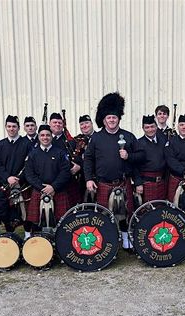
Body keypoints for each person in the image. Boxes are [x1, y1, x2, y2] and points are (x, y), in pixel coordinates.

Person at [84, 92, 144, 249]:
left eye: (114, 117)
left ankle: (125, 240)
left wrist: (129, 156)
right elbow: (88, 159)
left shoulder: (128, 137)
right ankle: (105, 241)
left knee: (124, 213)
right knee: (103, 215)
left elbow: (141, 156)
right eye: (109, 117)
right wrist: (89, 179)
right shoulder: (96, 138)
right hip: (103, 183)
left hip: (122, 182)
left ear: (119, 119)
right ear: (104, 119)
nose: (111, 120)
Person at [0, 115, 33, 234]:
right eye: (9, 126)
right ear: (5, 127)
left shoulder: (27, 144)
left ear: (19, 128)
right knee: (4, 212)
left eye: (14, 126)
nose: (11, 129)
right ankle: (10, 237)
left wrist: (19, 178)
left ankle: (27, 237)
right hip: (5, 183)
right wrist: (7, 177)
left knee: (25, 213)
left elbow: (30, 164)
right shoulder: (0, 145)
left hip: (23, 184)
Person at [25, 125, 71, 230]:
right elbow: (29, 174)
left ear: (51, 136)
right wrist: (43, 188)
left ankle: (59, 243)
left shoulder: (60, 153)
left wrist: (53, 187)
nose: (45, 137)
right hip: (39, 192)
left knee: (61, 223)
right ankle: (39, 244)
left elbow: (65, 172)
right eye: (42, 135)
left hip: (58, 191)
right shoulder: (32, 154)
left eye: (48, 135)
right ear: (39, 137)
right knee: (36, 224)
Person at [49, 112, 82, 206]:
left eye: (59, 123)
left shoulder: (71, 142)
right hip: (49, 183)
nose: (57, 125)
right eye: (54, 122)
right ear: (49, 124)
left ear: (63, 125)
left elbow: (80, 159)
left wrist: (79, 167)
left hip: (69, 183)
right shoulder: (45, 140)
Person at [134, 115, 168, 202]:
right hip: (146, 183)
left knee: (162, 210)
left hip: (162, 182)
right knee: (147, 211)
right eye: (147, 127)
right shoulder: (138, 143)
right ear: (143, 128)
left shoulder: (164, 140)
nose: (150, 130)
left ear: (156, 127)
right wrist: (138, 183)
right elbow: (135, 166)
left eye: (152, 126)